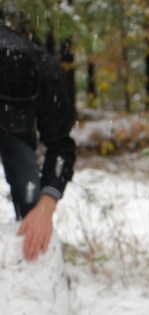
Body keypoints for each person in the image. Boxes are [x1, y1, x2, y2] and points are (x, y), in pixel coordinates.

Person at [0, 22, 76, 261]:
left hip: (15, 136)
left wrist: (45, 206)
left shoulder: (43, 68)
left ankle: (32, 246)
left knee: (31, 192)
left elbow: (60, 146)